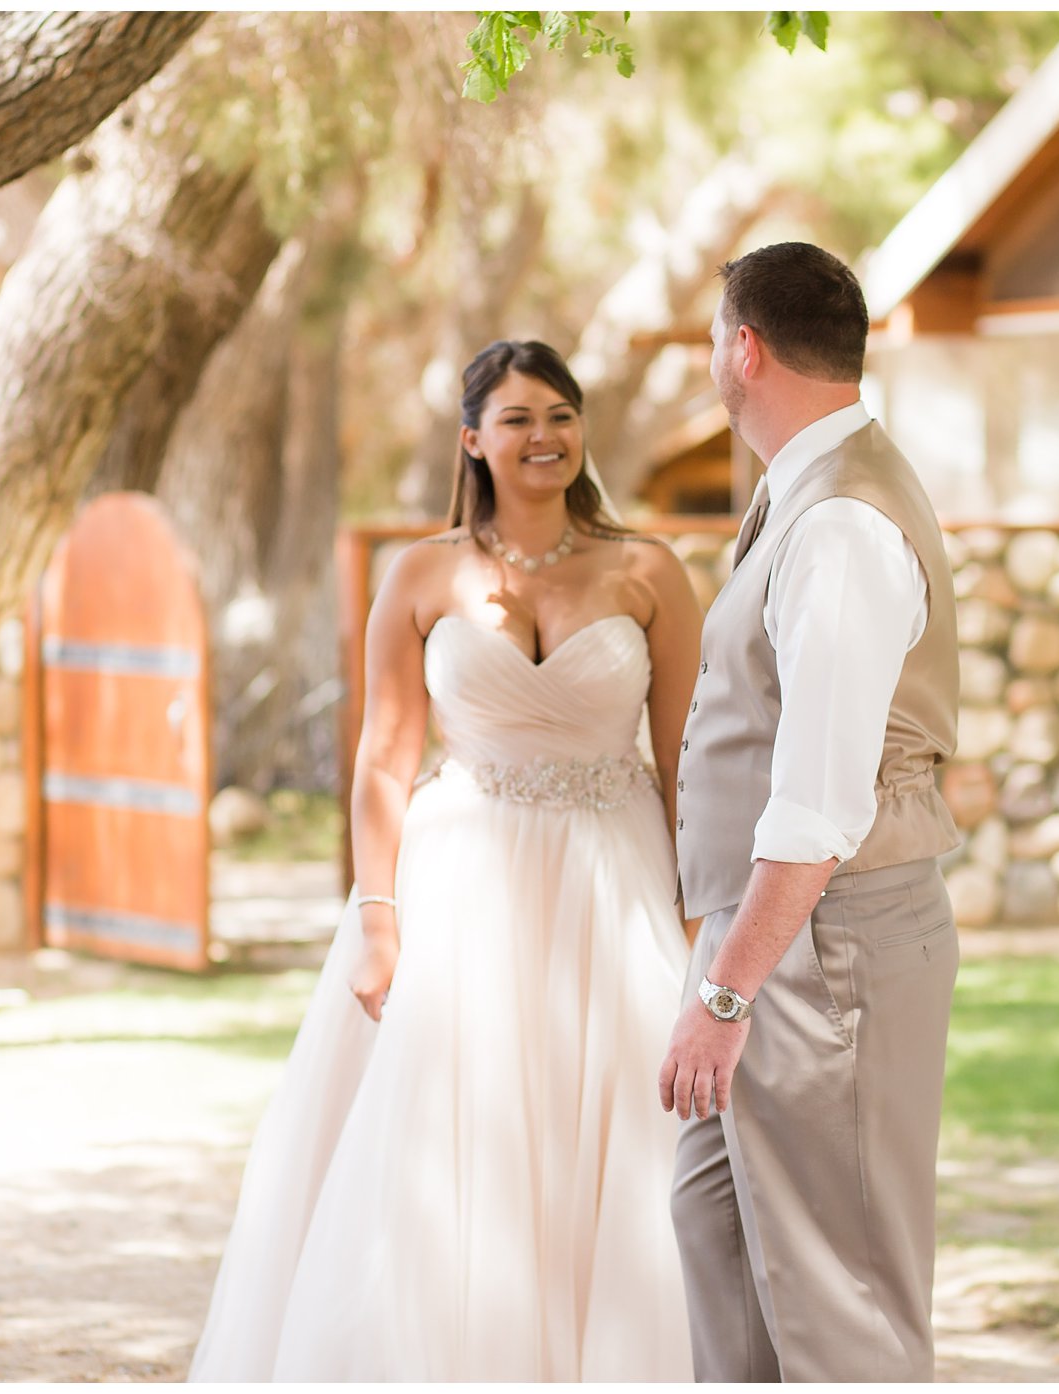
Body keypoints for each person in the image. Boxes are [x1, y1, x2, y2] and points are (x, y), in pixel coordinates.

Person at [186, 340, 704, 1381]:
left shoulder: (647, 570)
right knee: (453, 1135)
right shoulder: (419, 573)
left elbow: (683, 753)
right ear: (472, 438)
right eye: (517, 419)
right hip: (463, 885)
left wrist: (699, 918)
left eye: (561, 415)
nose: (544, 436)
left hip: (617, 881)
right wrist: (379, 916)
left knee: (618, 1143)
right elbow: (383, 755)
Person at [659, 241, 963, 1381]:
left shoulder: (839, 525)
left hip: (821, 949)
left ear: (744, 348)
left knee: (841, 1301)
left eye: (710, 341)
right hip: (767, 939)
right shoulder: (806, 494)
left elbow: (820, 800)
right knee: (723, 1245)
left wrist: (724, 992)